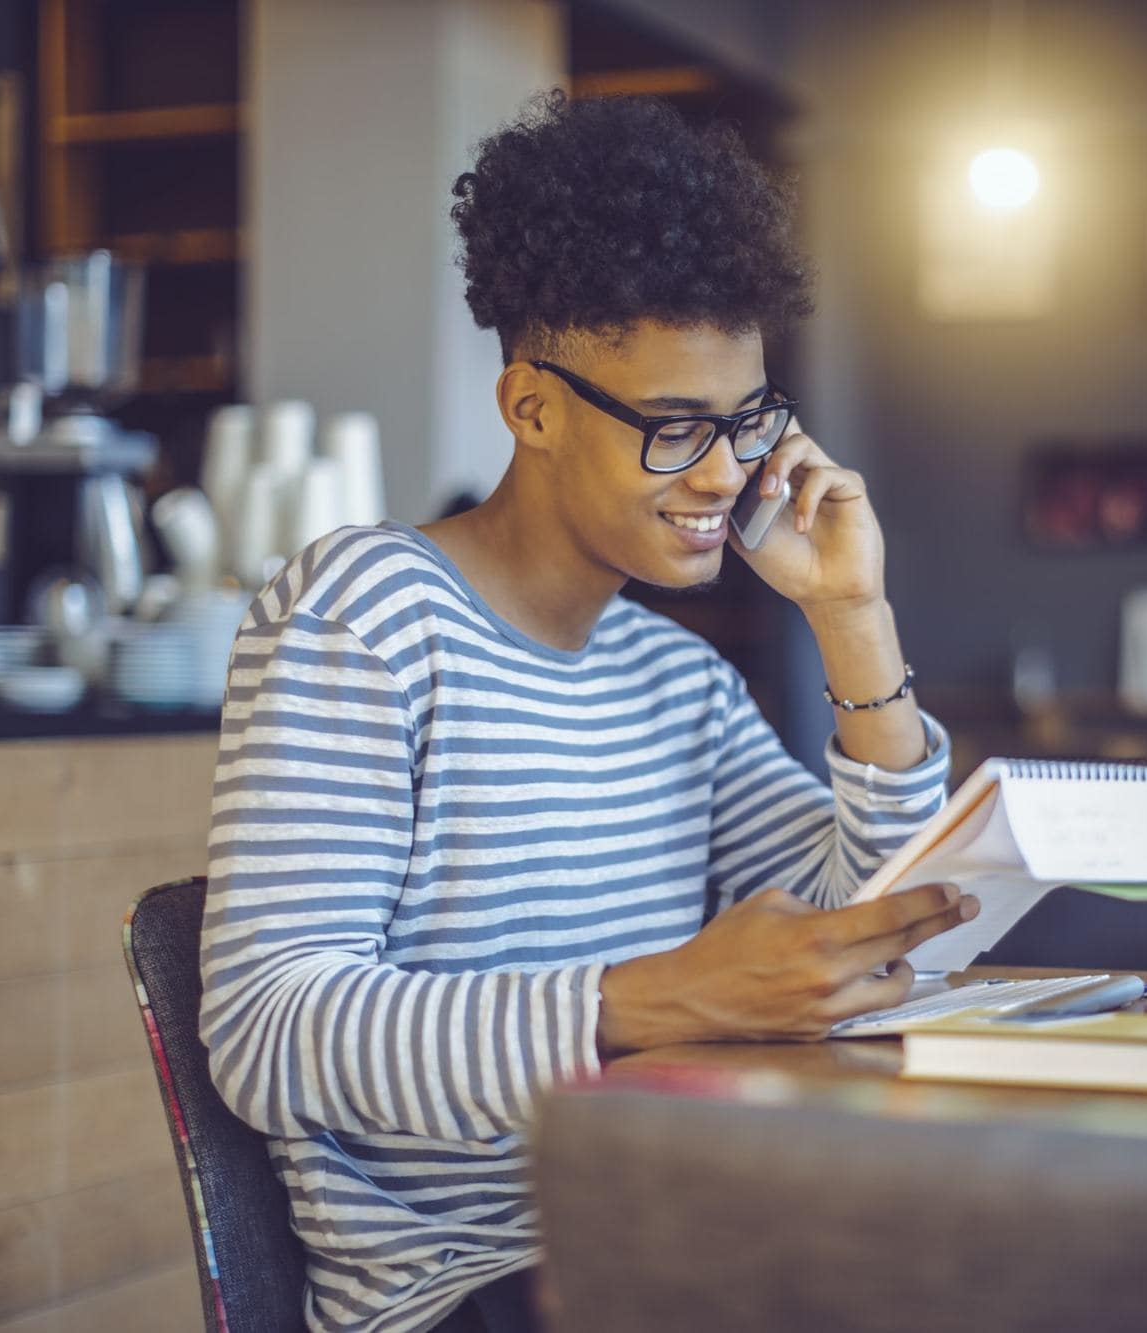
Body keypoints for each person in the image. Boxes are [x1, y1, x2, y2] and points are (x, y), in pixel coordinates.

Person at [197, 93, 977, 1333]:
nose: (724, 472)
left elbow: (886, 931)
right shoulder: (362, 613)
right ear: (532, 409)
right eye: (674, 429)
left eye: (744, 422)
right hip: (474, 1291)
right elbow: (270, 1029)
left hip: (684, 1232)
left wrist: (851, 617)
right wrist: (654, 999)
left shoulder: (675, 682)